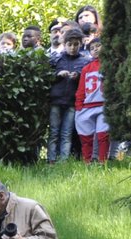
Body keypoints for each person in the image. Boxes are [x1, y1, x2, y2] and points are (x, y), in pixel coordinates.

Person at [47, 27, 90, 162]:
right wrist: (58, 75)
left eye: (76, 45)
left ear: (80, 44)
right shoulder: (56, 60)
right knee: (54, 131)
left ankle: (63, 161)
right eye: (69, 44)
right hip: (56, 100)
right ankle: (51, 160)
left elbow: (85, 83)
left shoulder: (84, 62)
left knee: (67, 133)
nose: (72, 48)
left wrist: (78, 77)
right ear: (64, 44)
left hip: (72, 102)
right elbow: (47, 78)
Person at [75, 38, 109, 162]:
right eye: (92, 48)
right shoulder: (86, 68)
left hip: (104, 105)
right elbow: (81, 88)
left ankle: (103, 162)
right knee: (86, 137)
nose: (95, 49)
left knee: (103, 135)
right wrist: (79, 105)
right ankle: (87, 162)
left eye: (98, 46)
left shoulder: (109, 65)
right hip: (87, 105)